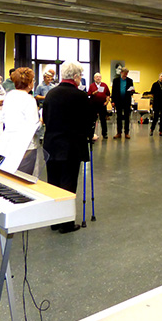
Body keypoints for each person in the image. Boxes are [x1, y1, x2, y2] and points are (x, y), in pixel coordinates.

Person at [42, 61, 92, 234]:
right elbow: (86, 122)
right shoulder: (80, 96)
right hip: (71, 145)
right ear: (76, 76)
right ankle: (67, 223)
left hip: (51, 144)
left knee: (53, 182)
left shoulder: (51, 94)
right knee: (68, 183)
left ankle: (54, 221)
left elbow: (46, 119)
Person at [2, 67, 41, 175]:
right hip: (26, 145)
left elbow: (4, 118)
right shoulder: (29, 100)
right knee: (24, 176)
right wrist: (41, 120)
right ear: (29, 83)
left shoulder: (9, 96)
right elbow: (34, 126)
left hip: (9, 142)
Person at [111, 67, 134, 139]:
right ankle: (119, 133)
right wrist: (113, 101)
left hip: (127, 101)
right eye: (124, 73)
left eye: (126, 74)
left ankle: (126, 133)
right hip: (118, 101)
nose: (125, 75)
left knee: (127, 117)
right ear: (121, 73)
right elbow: (113, 91)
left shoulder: (130, 80)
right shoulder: (116, 80)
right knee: (119, 117)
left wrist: (132, 91)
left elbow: (131, 91)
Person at [88, 72, 111, 139]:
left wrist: (107, 101)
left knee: (103, 120)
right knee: (92, 120)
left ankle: (104, 134)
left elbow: (108, 94)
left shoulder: (104, 85)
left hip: (102, 105)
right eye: (97, 77)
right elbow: (88, 94)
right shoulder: (92, 85)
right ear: (94, 78)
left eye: (99, 77)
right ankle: (91, 134)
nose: (98, 78)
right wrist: (93, 93)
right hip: (93, 105)